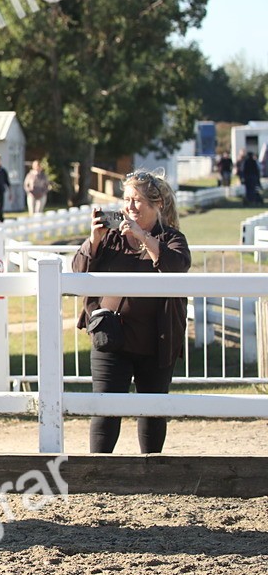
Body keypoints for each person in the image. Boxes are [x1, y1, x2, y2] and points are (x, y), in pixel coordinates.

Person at [72, 170, 191, 453]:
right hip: (111, 338)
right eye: (126, 200)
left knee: (152, 411)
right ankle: (97, 472)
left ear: (157, 204)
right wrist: (95, 239)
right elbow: (77, 271)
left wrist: (143, 237)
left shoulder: (172, 238)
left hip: (156, 342)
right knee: (105, 408)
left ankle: (150, 471)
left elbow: (176, 266)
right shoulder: (111, 236)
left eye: (137, 201)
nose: (129, 207)